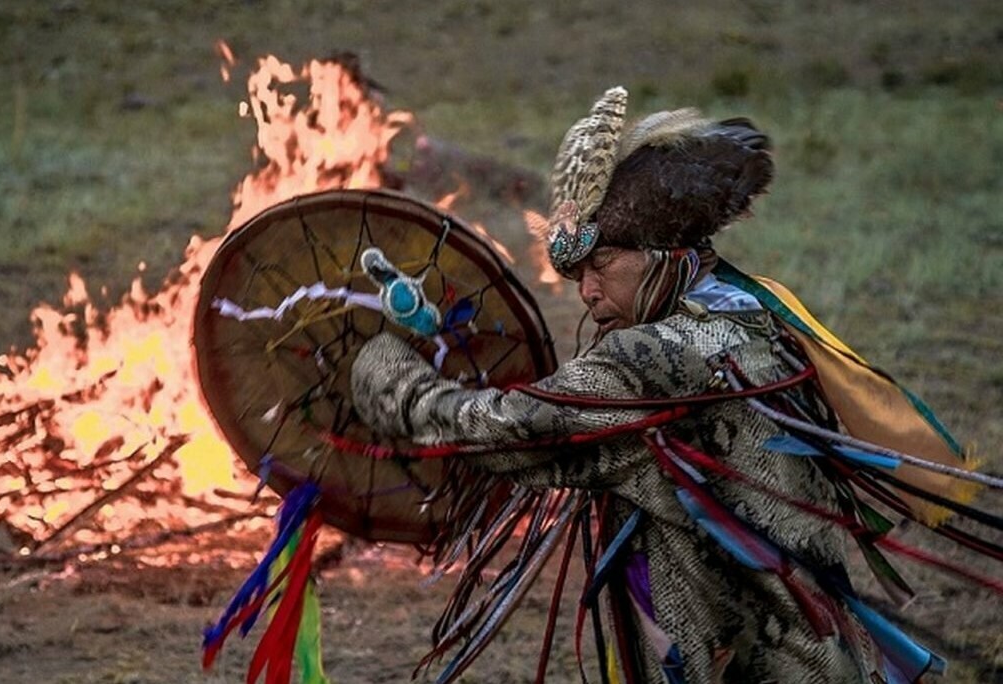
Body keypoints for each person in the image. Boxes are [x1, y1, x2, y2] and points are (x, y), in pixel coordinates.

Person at [351, 87, 969, 683]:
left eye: (602, 265)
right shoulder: (750, 312)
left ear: (664, 252)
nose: (588, 292)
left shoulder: (650, 358)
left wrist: (386, 374)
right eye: (577, 274)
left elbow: (506, 428)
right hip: (813, 652)